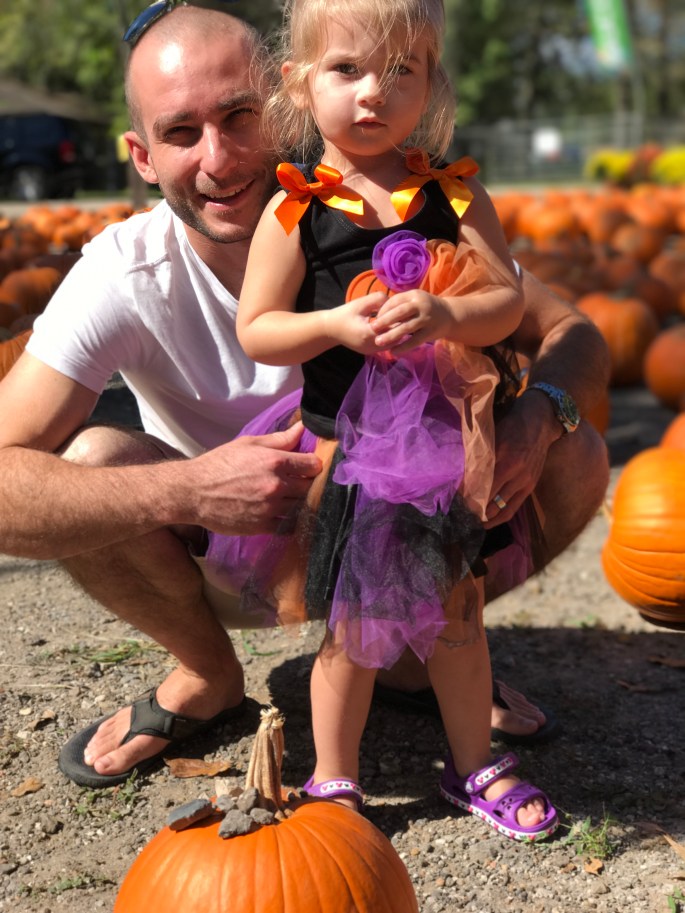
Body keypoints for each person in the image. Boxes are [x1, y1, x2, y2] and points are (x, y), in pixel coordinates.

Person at [0, 4, 609, 798]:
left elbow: (572, 330)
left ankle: (414, 654)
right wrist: (184, 487)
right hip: (231, 548)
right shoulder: (126, 272)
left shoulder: (413, 205)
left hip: (409, 507)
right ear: (142, 156)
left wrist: (538, 413)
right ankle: (207, 672)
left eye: (238, 116)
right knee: (90, 460)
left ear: (280, 106)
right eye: (181, 132)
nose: (218, 158)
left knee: (574, 448)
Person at [203, 0, 558, 841]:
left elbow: (506, 303)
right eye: (347, 69)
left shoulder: (451, 195)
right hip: (349, 458)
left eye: (401, 70)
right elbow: (257, 327)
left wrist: (445, 313)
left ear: (431, 84)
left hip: (446, 455)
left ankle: (472, 764)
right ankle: (334, 776)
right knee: (349, 628)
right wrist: (332, 324)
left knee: (458, 616)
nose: (374, 91)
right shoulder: (296, 209)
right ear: (300, 83)